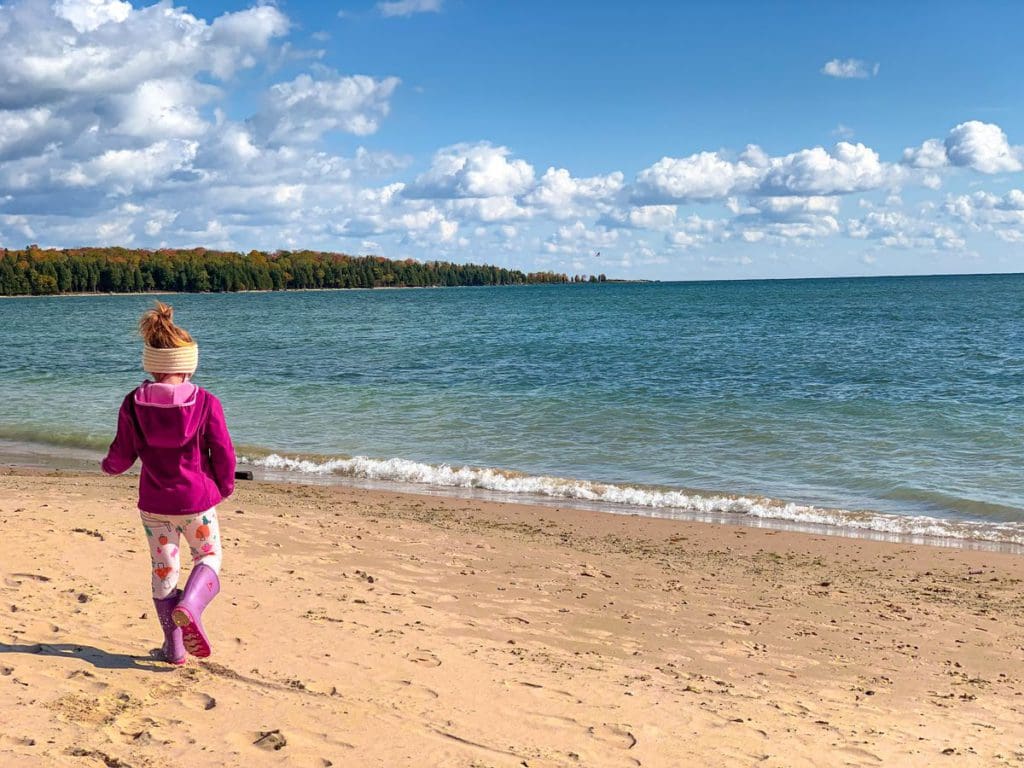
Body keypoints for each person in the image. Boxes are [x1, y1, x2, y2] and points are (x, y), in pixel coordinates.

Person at [101, 301, 235, 665]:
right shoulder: (206, 402)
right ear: (188, 365)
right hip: (197, 502)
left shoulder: (133, 403)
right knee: (208, 556)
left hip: (154, 505)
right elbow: (222, 450)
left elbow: (123, 452)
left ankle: (174, 649)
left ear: (152, 364)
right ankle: (192, 605)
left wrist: (109, 466)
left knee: (164, 571)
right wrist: (224, 486)